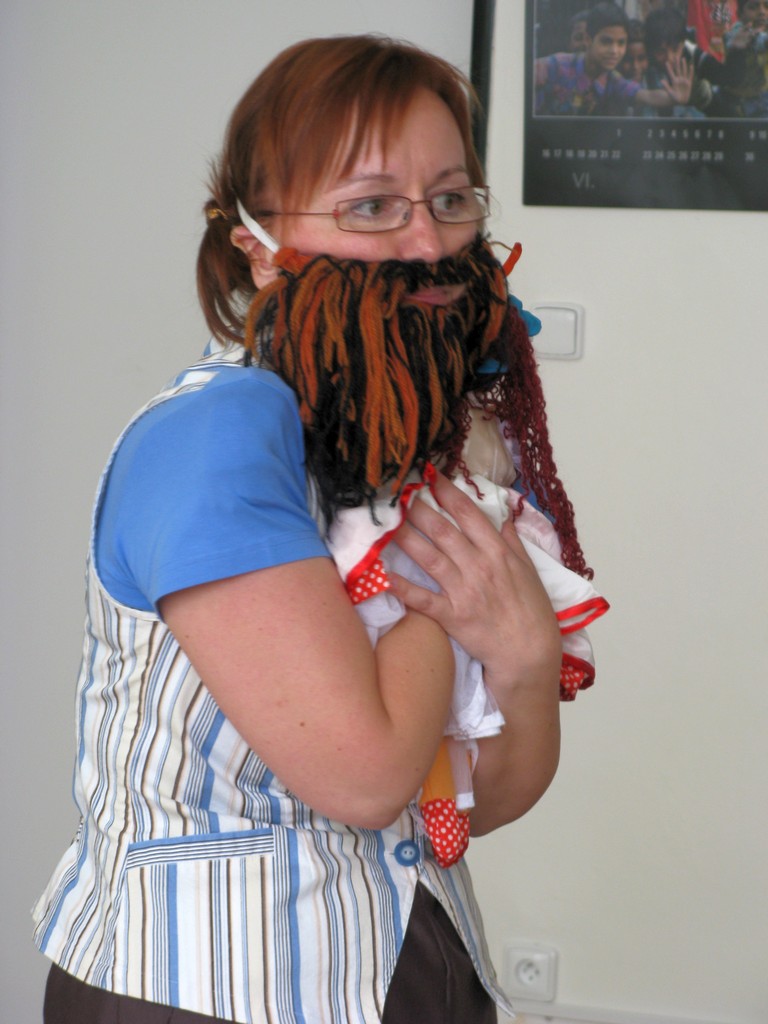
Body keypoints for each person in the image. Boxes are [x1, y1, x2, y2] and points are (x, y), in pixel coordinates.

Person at [33, 34, 597, 1024]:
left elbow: (467, 810)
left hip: (414, 969)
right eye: (372, 206)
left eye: (451, 199)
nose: (428, 244)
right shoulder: (216, 437)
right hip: (206, 988)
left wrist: (524, 658)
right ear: (255, 242)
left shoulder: (410, 443)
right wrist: (452, 600)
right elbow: (371, 777)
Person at [534, 1, 694, 115]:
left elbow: (645, 95)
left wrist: (675, 98)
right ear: (588, 39)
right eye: (606, 42)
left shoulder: (613, 80)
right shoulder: (556, 65)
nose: (614, 51)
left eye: (621, 43)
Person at [719, 0, 768, 115]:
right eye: (753, 7)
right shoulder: (736, 33)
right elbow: (758, 41)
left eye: (767, 6)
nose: (762, 12)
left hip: (763, 97)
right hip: (732, 101)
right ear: (740, 14)